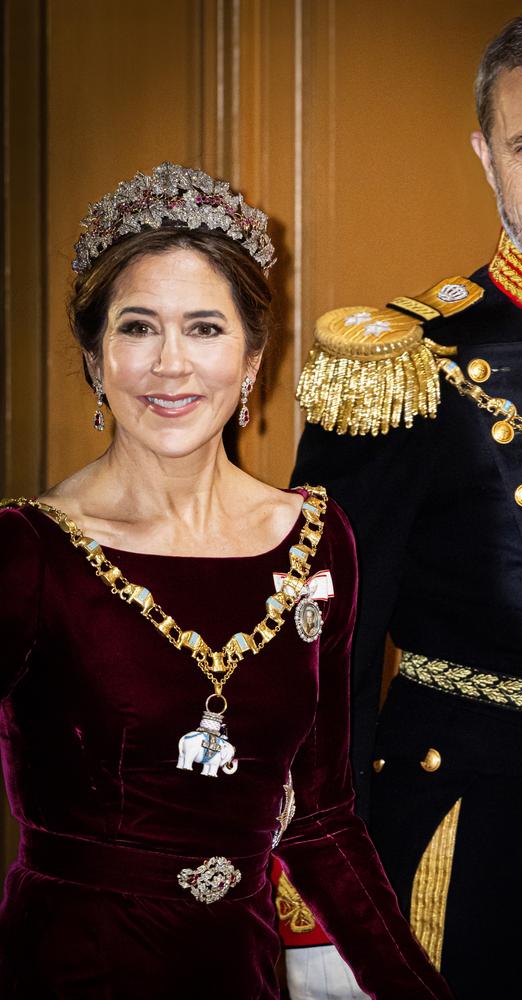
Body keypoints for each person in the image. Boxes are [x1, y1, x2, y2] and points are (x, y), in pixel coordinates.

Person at [0, 162, 452, 999]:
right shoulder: (28, 550)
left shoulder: (317, 539)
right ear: (97, 358)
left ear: (251, 359)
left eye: (205, 328)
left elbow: (321, 820)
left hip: (242, 971)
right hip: (71, 968)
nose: (171, 365)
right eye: (139, 328)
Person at [292, 4, 522, 998]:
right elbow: (324, 642)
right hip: (486, 826)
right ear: (484, 156)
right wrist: (314, 884)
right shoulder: (404, 366)